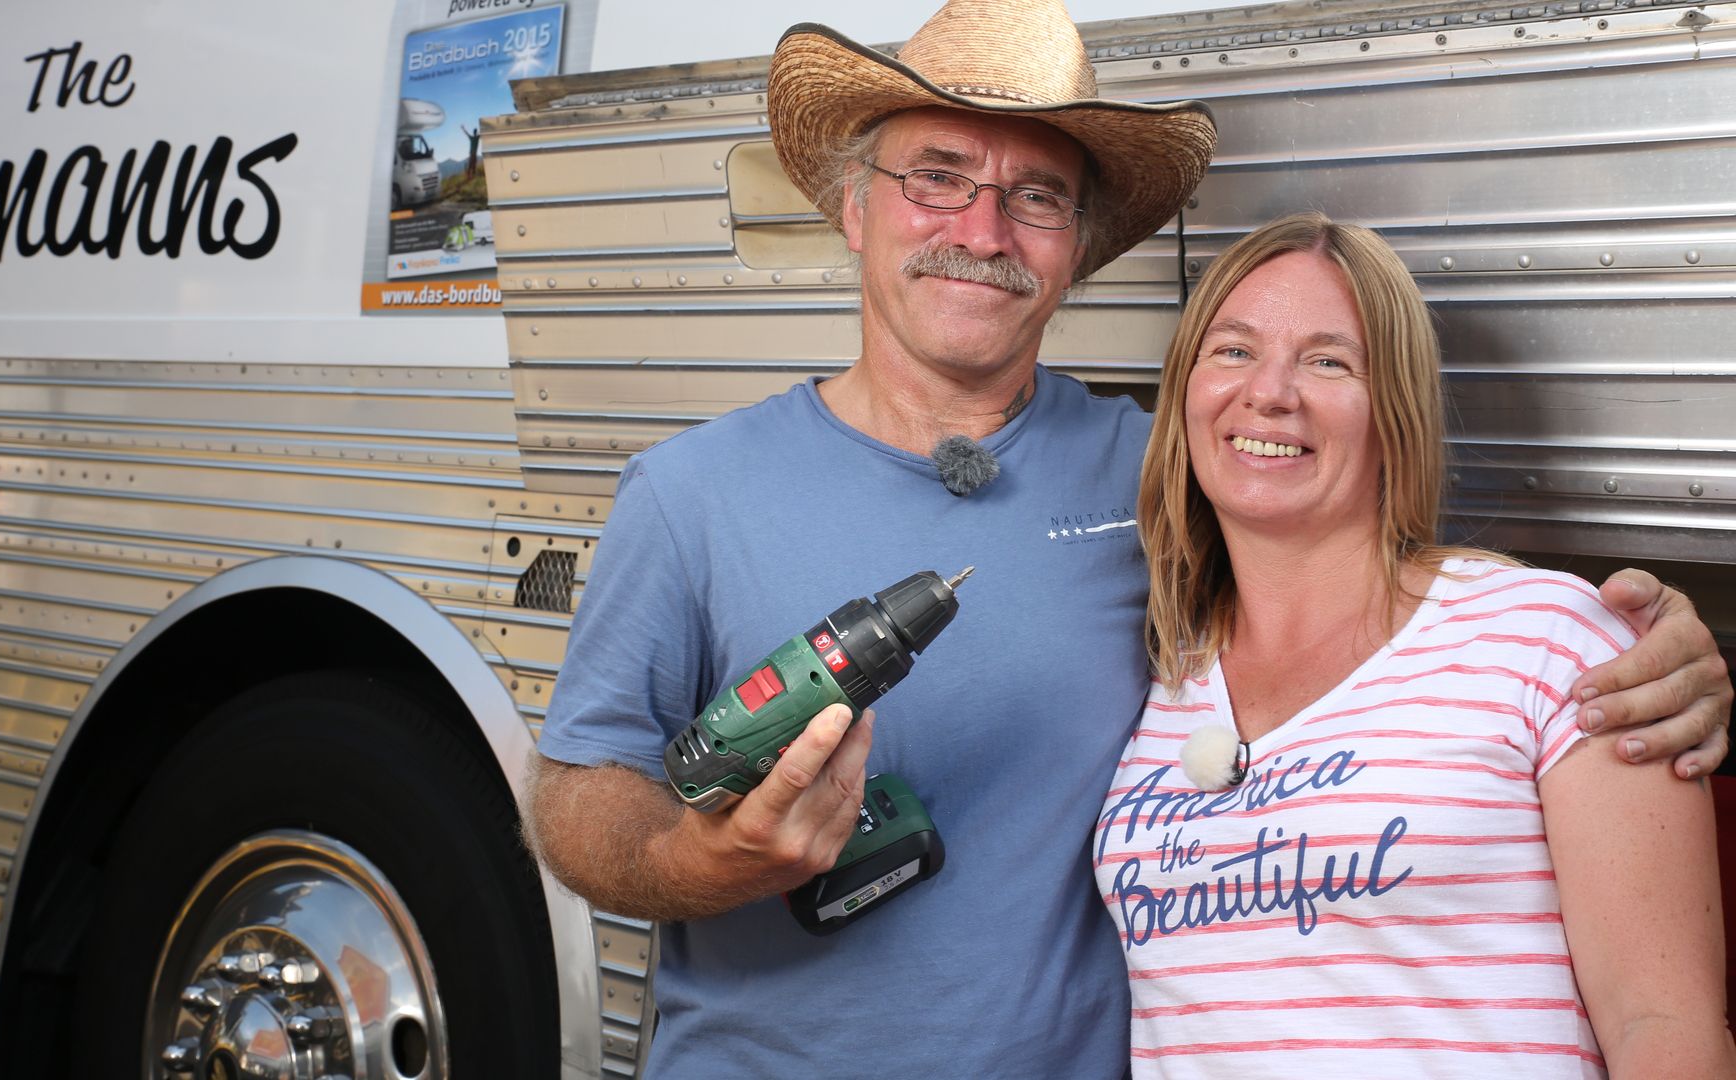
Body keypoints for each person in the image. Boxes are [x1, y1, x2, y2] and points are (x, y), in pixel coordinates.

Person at [524, 2, 1734, 1077]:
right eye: (937, 176)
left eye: (1037, 196)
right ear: (853, 205)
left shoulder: (1165, 472)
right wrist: (703, 862)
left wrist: (1649, 649)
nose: (984, 228)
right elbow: (577, 795)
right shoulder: (689, 493)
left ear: (1079, 248)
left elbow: (1375, 581)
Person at [1098, 213, 1736, 1077]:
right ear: (1184, 392)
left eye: (1329, 361)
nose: (1271, 393)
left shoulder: (1550, 639)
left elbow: (1664, 1029)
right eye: (1234, 350)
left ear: (1393, 409)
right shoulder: (1155, 675)